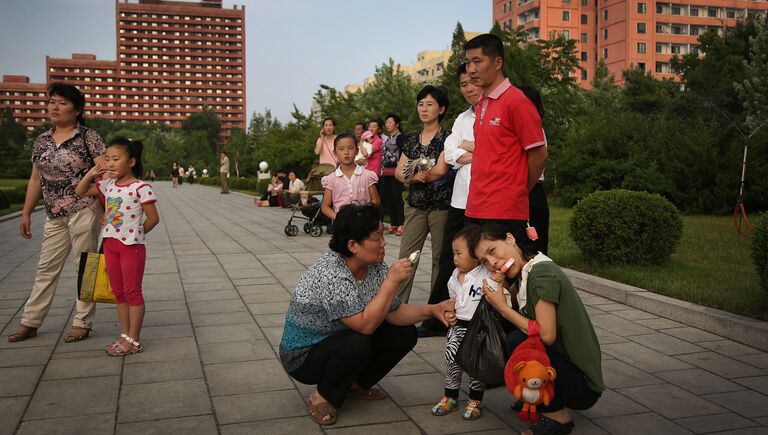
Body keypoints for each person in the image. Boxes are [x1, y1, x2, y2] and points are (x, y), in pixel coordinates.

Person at [279, 203, 456, 426]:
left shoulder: (374, 266)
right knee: (358, 342)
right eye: (377, 238)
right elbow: (365, 326)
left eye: (383, 235)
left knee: (405, 334)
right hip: (303, 356)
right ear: (353, 245)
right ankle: (323, 395)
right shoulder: (331, 274)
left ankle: (354, 385)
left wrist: (432, 310)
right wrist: (392, 282)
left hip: (338, 339)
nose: (384, 243)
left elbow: (394, 312)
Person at [468, 224, 604, 435]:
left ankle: (558, 417)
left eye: (492, 251)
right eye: (485, 261)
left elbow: (547, 336)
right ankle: (537, 396)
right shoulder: (526, 270)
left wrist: (502, 308)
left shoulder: (541, 275)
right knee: (509, 332)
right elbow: (513, 305)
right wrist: (500, 288)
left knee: (516, 340)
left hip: (582, 386)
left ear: (510, 239)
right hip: (566, 372)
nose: (492, 263)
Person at [7, 83, 106, 343]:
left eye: (62, 102)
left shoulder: (88, 137)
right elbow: (35, 179)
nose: (54, 106)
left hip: (84, 210)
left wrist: (108, 210)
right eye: (52, 101)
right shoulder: (41, 140)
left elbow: (106, 176)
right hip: (53, 214)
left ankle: (82, 322)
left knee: (86, 266)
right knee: (46, 268)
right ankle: (30, 321)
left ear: (77, 109)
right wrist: (27, 213)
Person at [75, 137, 160, 356]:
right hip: (110, 244)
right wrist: (91, 174)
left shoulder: (141, 188)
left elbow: (153, 218)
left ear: (130, 162)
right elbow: (81, 191)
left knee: (133, 292)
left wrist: (136, 233)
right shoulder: (107, 185)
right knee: (118, 293)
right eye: (107, 159)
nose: (110, 163)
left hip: (131, 247)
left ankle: (134, 339)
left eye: (115, 159)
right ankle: (124, 335)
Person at [463, 34, 547, 248]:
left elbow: (539, 154)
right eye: (467, 62)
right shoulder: (482, 102)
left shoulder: (517, 101)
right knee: (476, 277)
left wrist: (519, 189)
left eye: (478, 61)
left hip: (504, 210)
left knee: (503, 277)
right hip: (475, 206)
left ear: (498, 62)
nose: (471, 69)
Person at [419, 64, 483, 336]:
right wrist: (473, 150)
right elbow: (450, 153)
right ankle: (437, 318)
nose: (468, 87)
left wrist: (469, 148)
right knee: (449, 257)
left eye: (472, 81)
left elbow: (497, 151)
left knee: (484, 260)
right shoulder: (461, 119)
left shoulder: (498, 112)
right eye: (463, 84)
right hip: (460, 200)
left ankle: (477, 320)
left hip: (487, 201)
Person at [394, 85, 453, 303]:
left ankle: (435, 310)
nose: (424, 109)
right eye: (421, 104)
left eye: (430, 104)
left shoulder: (448, 137)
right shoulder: (410, 139)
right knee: (407, 256)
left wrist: (418, 173)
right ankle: (397, 305)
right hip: (415, 205)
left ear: (441, 109)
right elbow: (400, 171)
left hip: (441, 207)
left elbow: (441, 169)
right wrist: (413, 176)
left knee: (440, 258)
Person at [431, 227, 496, 420]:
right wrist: (450, 314)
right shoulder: (454, 275)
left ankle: (476, 400)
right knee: (452, 362)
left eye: (459, 253)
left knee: (477, 367)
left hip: (478, 328)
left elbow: (497, 291)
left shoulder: (485, 274)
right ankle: (450, 397)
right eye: (453, 253)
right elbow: (452, 301)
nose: (455, 258)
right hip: (457, 327)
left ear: (476, 255)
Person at [321, 133, 380, 220]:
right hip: (342, 226)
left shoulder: (367, 175)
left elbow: (376, 201)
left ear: (356, 151)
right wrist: (338, 218)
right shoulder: (330, 179)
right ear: (335, 153)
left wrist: (363, 213)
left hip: (364, 223)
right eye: (341, 149)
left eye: (350, 148)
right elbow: (325, 207)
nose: (346, 152)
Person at [380, 113, 405, 236]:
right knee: (388, 198)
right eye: (387, 122)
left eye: (390, 122)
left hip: (396, 171)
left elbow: (403, 154)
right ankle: (394, 223)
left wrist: (401, 169)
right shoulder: (388, 139)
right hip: (386, 172)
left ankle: (402, 224)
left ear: (397, 124)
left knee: (397, 197)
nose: (388, 125)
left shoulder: (400, 137)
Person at [309, 117, 339, 193]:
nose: (328, 127)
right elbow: (317, 152)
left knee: (336, 191)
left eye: (330, 125)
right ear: (323, 128)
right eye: (326, 125)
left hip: (336, 169)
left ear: (334, 127)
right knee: (325, 192)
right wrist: (322, 138)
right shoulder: (320, 140)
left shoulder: (338, 139)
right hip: (324, 171)